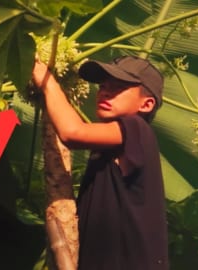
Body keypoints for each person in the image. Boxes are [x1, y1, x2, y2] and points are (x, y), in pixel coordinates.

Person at [32, 55, 169, 270]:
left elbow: (72, 133)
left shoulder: (138, 130)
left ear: (146, 104)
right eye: (103, 86)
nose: (105, 92)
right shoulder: (105, 152)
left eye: (118, 88)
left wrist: (48, 83)